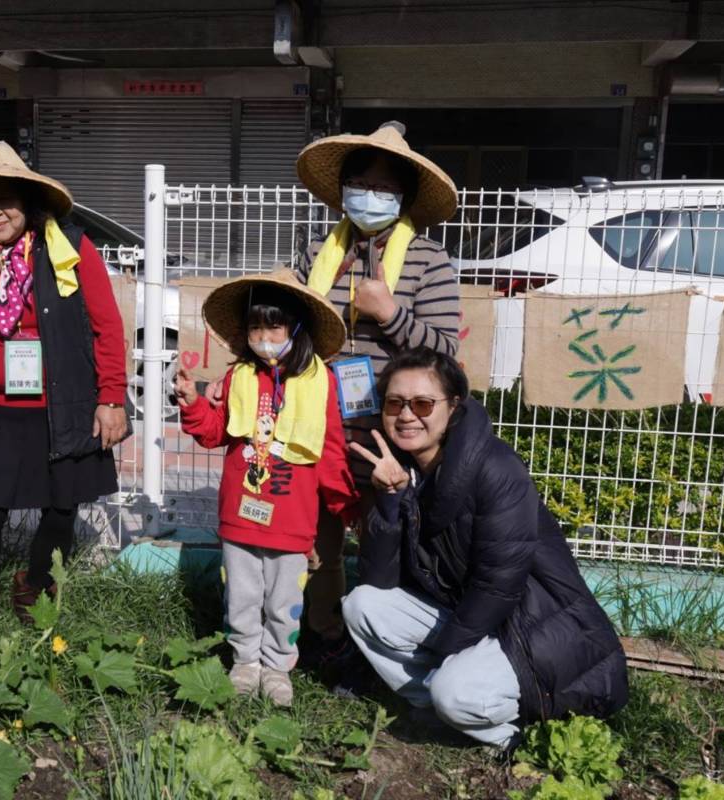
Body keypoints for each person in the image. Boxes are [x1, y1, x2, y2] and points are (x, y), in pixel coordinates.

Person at [343, 347, 628, 749]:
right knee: (362, 604)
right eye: (395, 402)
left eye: (423, 403)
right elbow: (379, 580)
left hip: (537, 625)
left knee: (455, 691)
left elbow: (499, 586)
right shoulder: (403, 471)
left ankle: (509, 737)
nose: (407, 415)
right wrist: (390, 500)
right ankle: (445, 709)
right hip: (471, 619)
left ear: (454, 406)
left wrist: (445, 654)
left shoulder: (495, 468)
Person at [0, 142, 130, 625]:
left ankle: (36, 587)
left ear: (28, 202)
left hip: (66, 405)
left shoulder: (72, 248)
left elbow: (107, 326)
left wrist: (112, 398)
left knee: (61, 510)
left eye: (5, 199)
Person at [294, 120, 463, 675]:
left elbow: (446, 356)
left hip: (392, 433)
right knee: (317, 543)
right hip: (318, 424)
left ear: (406, 197)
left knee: (385, 544)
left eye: (385, 187)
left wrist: (390, 313)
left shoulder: (430, 260)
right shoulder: (319, 250)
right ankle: (327, 639)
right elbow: (286, 329)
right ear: (342, 189)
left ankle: (382, 653)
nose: (370, 195)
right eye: (360, 182)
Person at [175, 270, 359, 707]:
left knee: (283, 602)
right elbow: (216, 432)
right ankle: (244, 663)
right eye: (255, 326)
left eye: (273, 325)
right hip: (240, 515)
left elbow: (331, 452)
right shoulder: (239, 377)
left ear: (297, 327)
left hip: (292, 522)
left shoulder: (321, 383)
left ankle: (277, 666)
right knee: (240, 596)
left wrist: (346, 506)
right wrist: (194, 405)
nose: (264, 336)